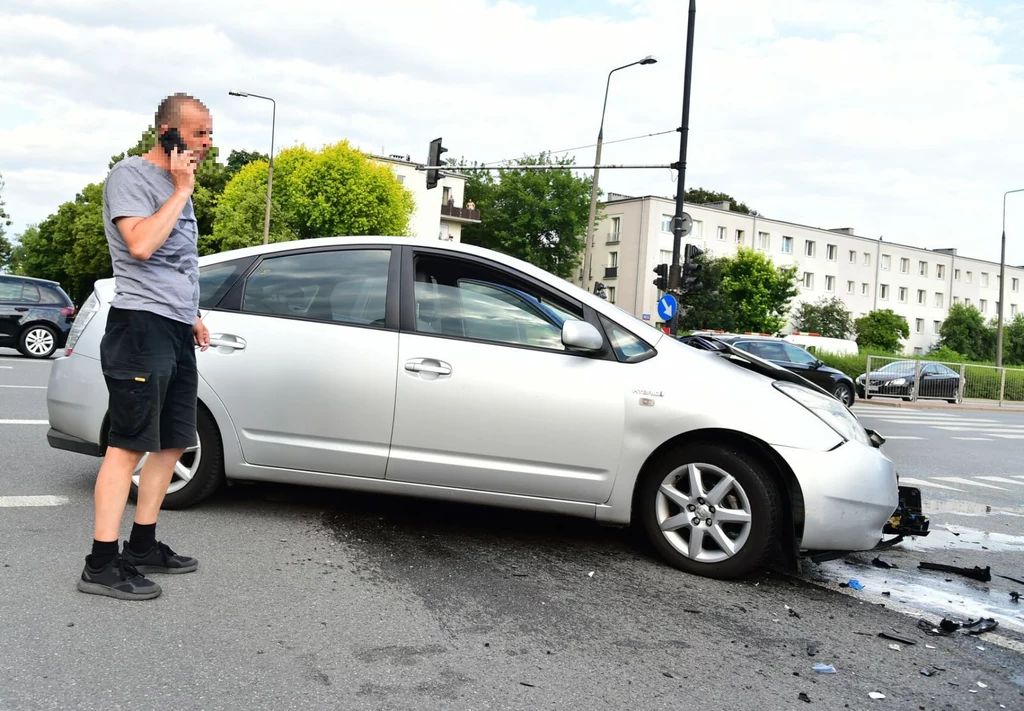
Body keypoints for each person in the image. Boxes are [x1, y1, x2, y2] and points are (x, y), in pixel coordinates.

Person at [76, 92, 212, 600]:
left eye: (209, 134)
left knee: (174, 438)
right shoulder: (130, 176)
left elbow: (178, 263)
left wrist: (192, 315)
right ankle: (101, 563)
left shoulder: (181, 186)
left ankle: (142, 544)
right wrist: (179, 191)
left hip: (173, 328)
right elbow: (140, 245)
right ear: (168, 133)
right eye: (199, 133)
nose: (207, 143)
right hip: (140, 326)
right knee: (128, 443)